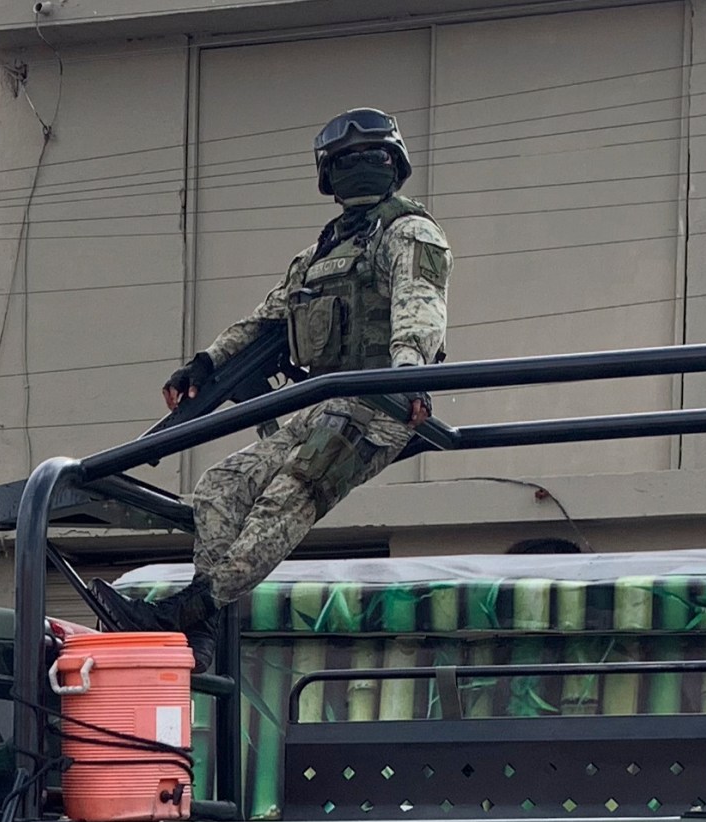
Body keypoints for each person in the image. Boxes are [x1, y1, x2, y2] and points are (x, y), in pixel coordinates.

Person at [107, 107, 452, 652]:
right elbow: (265, 320)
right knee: (219, 487)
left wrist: (408, 372)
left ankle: (186, 611)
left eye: (371, 156)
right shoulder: (317, 255)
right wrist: (207, 363)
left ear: (394, 165)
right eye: (347, 160)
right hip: (321, 402)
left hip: (378, 405)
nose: (359, 167)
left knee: (286, 499)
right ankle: (201, 627)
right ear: (329, 176)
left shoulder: (408, 232)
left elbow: (419, 307)